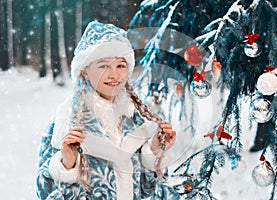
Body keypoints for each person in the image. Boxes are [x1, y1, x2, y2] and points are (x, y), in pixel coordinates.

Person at [36, 21, 179, 199]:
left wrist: (154, 152)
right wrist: (67, 166)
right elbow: (46, 193)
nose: (114, 75)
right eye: (104, 66)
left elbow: (149, 191)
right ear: (85, 71)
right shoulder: (64, 126)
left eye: (120, 65)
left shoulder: (138, 121)